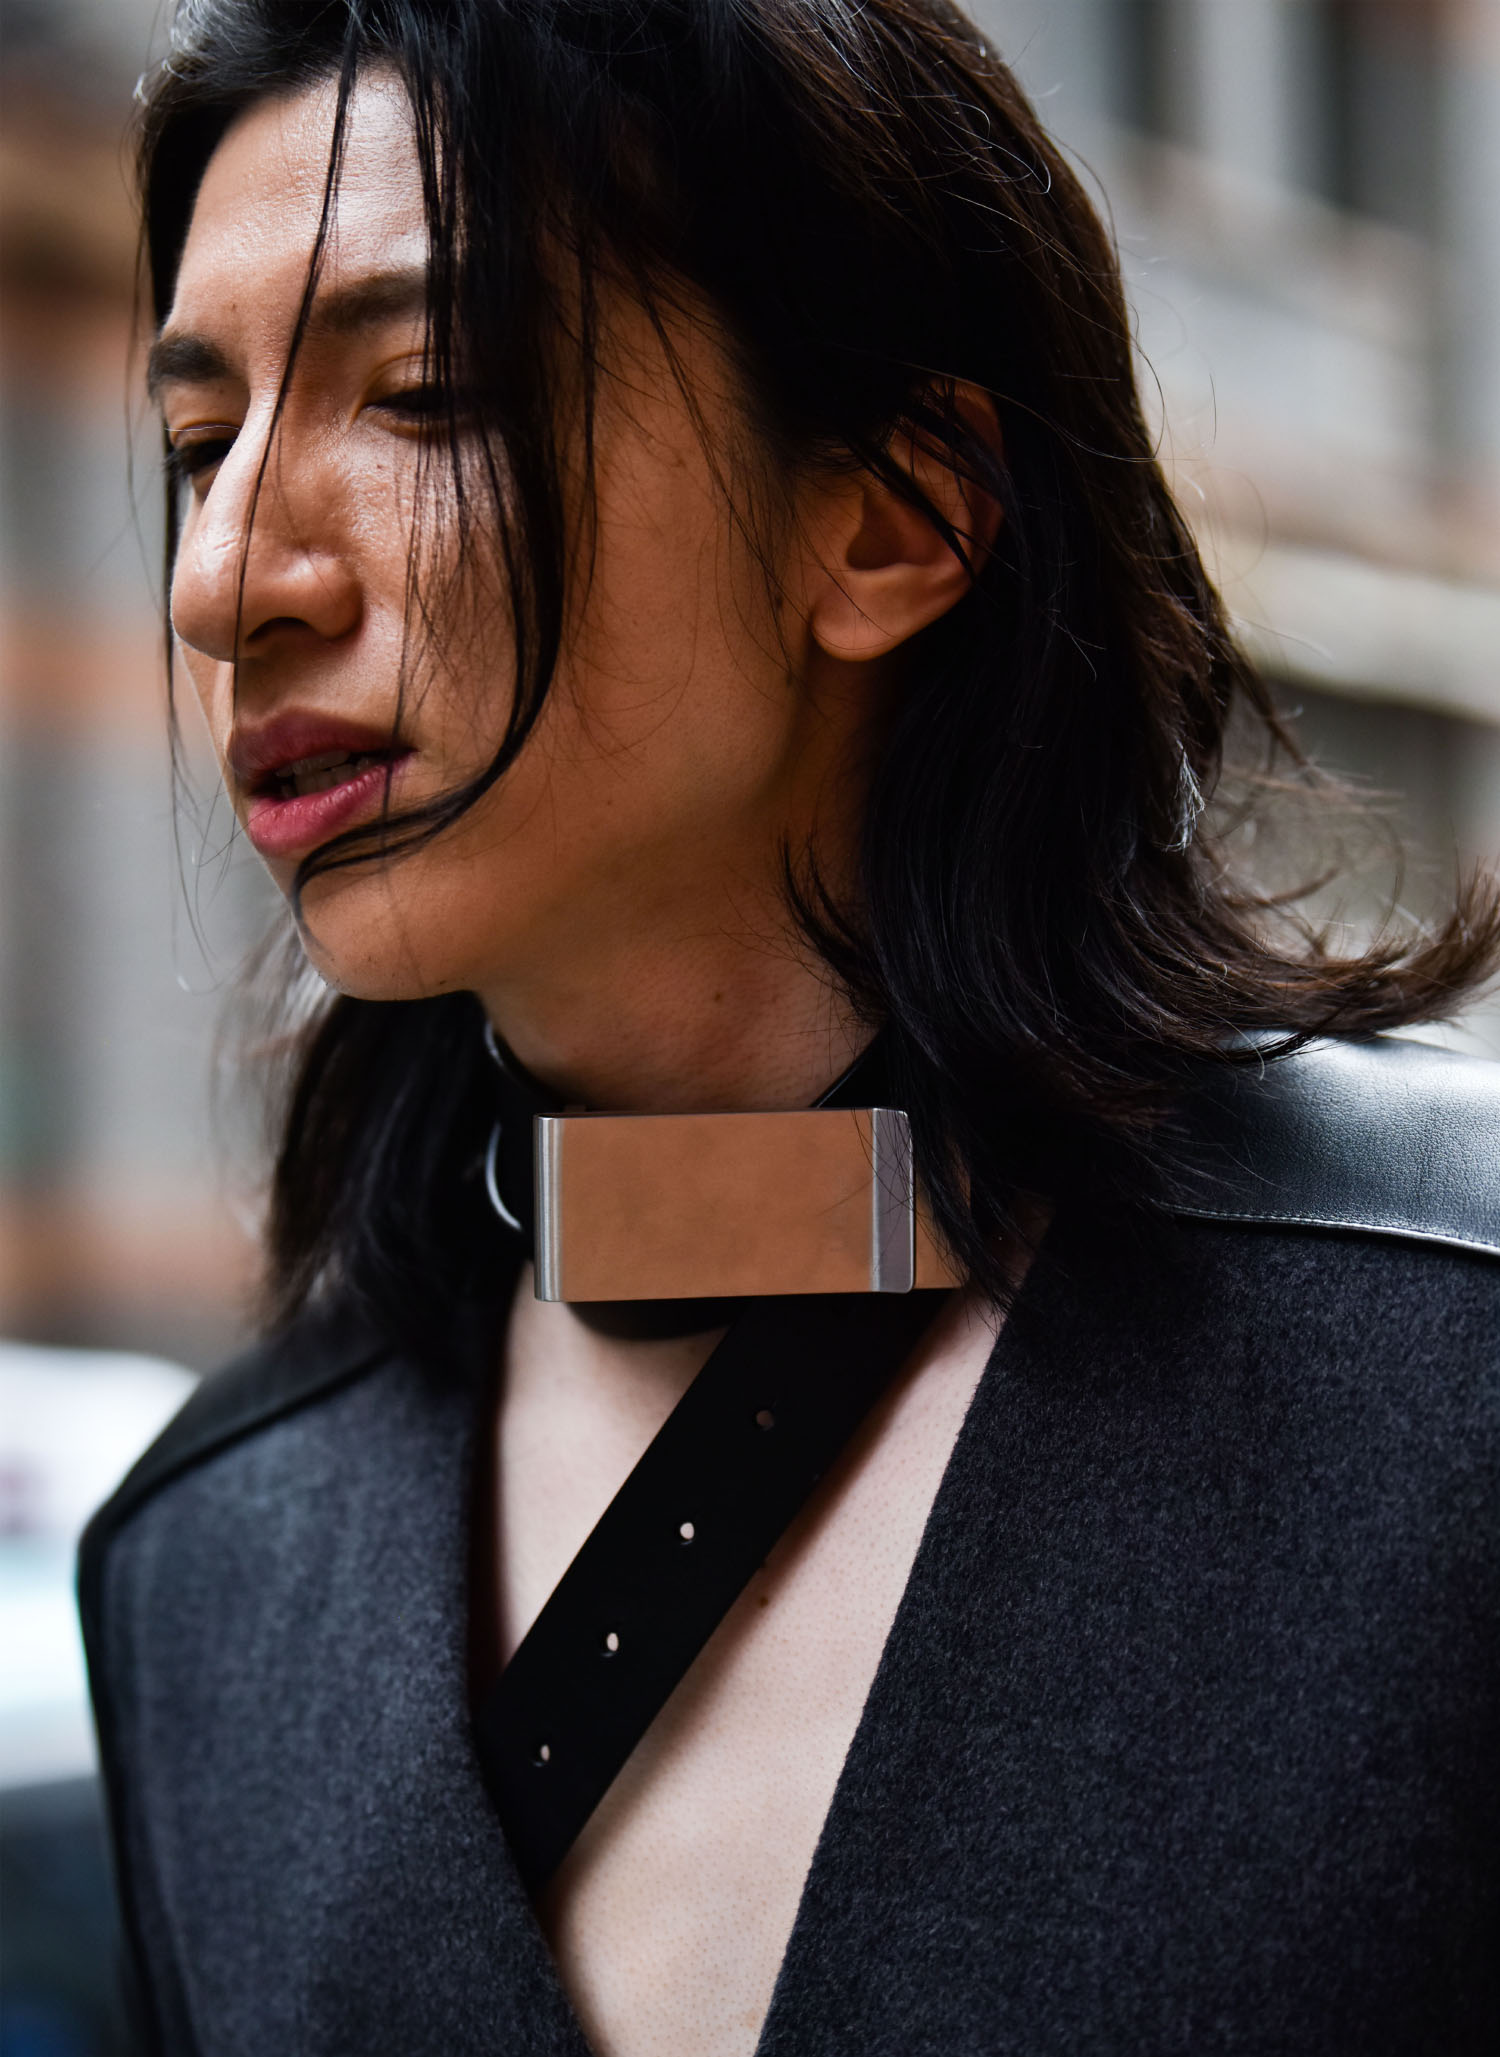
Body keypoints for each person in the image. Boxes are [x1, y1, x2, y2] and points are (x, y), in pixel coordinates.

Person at [80, 2, 1500, 2052]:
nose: (227, 581)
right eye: (200, 445)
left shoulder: (1448, 1370)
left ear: (895, 516)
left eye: (430, 393)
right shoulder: (210, 1567)